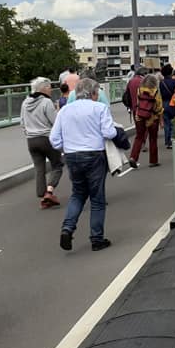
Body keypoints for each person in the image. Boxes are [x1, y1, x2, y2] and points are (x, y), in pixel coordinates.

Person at [50, 78, 127, 251]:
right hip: (94, 155)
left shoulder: (64, 111)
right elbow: (108, 132)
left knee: (77, 194)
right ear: (94, 93)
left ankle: (67, 228)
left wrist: (68, 146)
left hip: (72, 155)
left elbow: (54, 140)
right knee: (97, 199)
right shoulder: (99, 108)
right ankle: (97, 239)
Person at [20, 76, 63, 208]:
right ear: (43, 89)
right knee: (57, 165)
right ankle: (49, 192)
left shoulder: (25, 103)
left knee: (39, 168)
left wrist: (29, 132)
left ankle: (42, 195)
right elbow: (55, 122)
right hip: (46, 138)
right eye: (49, 87)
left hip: (31, 140)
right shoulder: (46, 102)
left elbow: (22, 123)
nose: (51, 90)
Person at [127, 74, 163, 168]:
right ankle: (153, 161)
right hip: (153, 117)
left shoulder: (140, 89)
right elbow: (159, 106)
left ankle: (133, 157)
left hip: (140, 116)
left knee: (139, 137)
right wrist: (159, 115)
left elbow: (138, 103)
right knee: (152, 138)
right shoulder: (155, 91)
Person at [159, 64, 175, 150]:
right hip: (173, 103)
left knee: (166, 123)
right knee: (173, 122)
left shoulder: (161, 82)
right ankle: (172, 139)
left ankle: (167, 141)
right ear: (171, 72)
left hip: (164, 104)